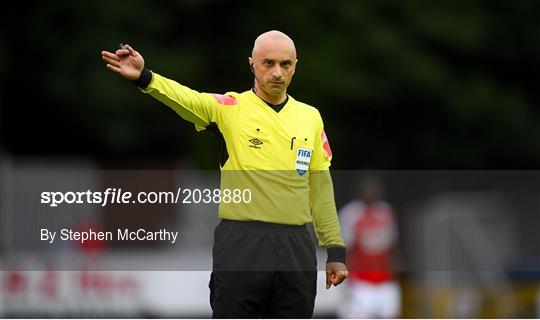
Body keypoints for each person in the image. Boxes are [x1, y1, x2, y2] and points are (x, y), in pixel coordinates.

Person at [101, 30, 348, 318]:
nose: (277, 73)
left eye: (286, 64)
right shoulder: (230, 108)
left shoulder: (310, 117)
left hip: (296, 245)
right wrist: (146, 78)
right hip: (242, 241)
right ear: (252, 64)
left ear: (295, 65)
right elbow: (187, 99)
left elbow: (320, 189)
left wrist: (335, 251)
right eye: (268, 63)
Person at [337, 177, 401, 318]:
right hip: (360, 282)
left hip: (385, 281)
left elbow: (392, 245)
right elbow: (343, 248)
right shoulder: (351, 214)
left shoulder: (386, 212)